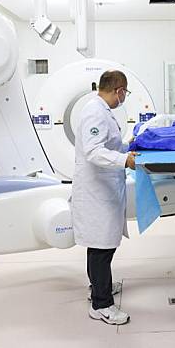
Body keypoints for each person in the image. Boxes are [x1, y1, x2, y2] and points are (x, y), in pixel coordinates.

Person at [71, 69, 137, 325]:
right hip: (96, 192)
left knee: (100, 246)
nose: (124, 97)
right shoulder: (94, 112)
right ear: (119, 90)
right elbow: (94, 152)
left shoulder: (102, 111)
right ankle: (101, 305)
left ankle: (99, 287)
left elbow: (109, 145)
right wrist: (125, 160)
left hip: (103, 188)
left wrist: (128, 146)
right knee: (101, 248)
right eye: (125, 93)